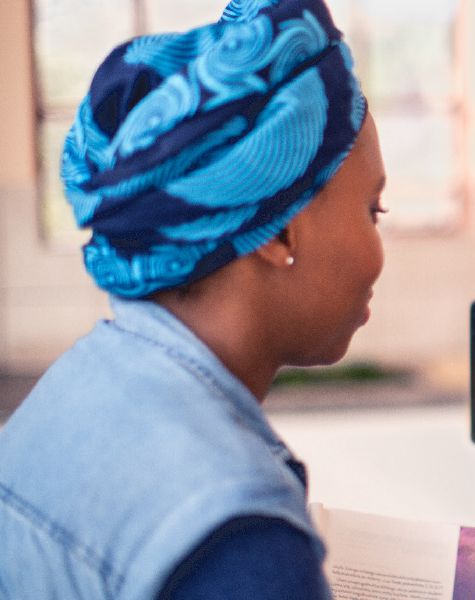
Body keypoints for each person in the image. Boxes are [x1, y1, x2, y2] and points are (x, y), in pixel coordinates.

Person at [0, 0, 383, 597]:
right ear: (280, 232)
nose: (379, 249)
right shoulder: (235, 534)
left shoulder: (69, 391)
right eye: (372, 210)